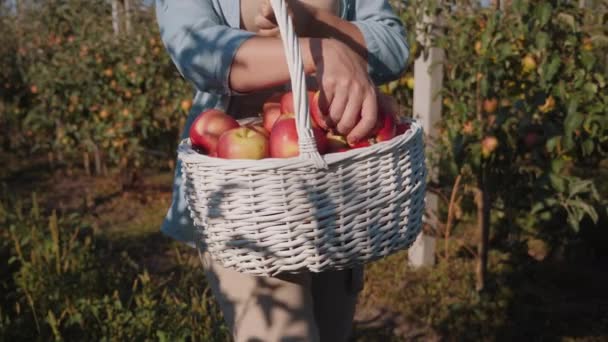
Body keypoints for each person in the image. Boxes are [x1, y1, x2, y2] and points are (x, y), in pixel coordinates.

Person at [155, 0, 409, 340]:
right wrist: (318, 52)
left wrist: (313, 21)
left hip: (336, 187)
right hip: (244, 201)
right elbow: (196, 49)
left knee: (333, 330)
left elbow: (394, 45)